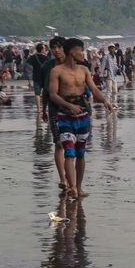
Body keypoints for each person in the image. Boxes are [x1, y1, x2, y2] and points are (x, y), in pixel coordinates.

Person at [49, 38, 112, 199]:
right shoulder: (57, 71)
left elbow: (94, 89)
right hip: (65, 116)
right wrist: (69, 106)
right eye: (80, 50)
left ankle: (78, 186)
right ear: (72, 51)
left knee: (81, 153)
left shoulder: (84, 70)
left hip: (83, 115)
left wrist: (105, 101)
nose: (82, 54)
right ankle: (72, 187)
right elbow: (53, 95)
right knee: (69, 152)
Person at [41, 37, 68, 192]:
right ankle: (62, 179)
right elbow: (46, 91)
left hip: (71, 109)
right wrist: (43, 109)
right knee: (59, 144)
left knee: (72, 144)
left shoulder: (72, 65)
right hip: (54, 109)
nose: (56, 50)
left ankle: (72, 180)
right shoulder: (47, 66)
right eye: (53, 47)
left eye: (59, 47)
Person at [26, 43, 49, 121]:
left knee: (37, 93)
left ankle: (39, 109)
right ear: (42, 49)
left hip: (36, 77)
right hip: (45, 77)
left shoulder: (32, 57)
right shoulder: (46, 58)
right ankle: (47, 108)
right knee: (46, 93)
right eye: (44, 48)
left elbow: (28, 65)